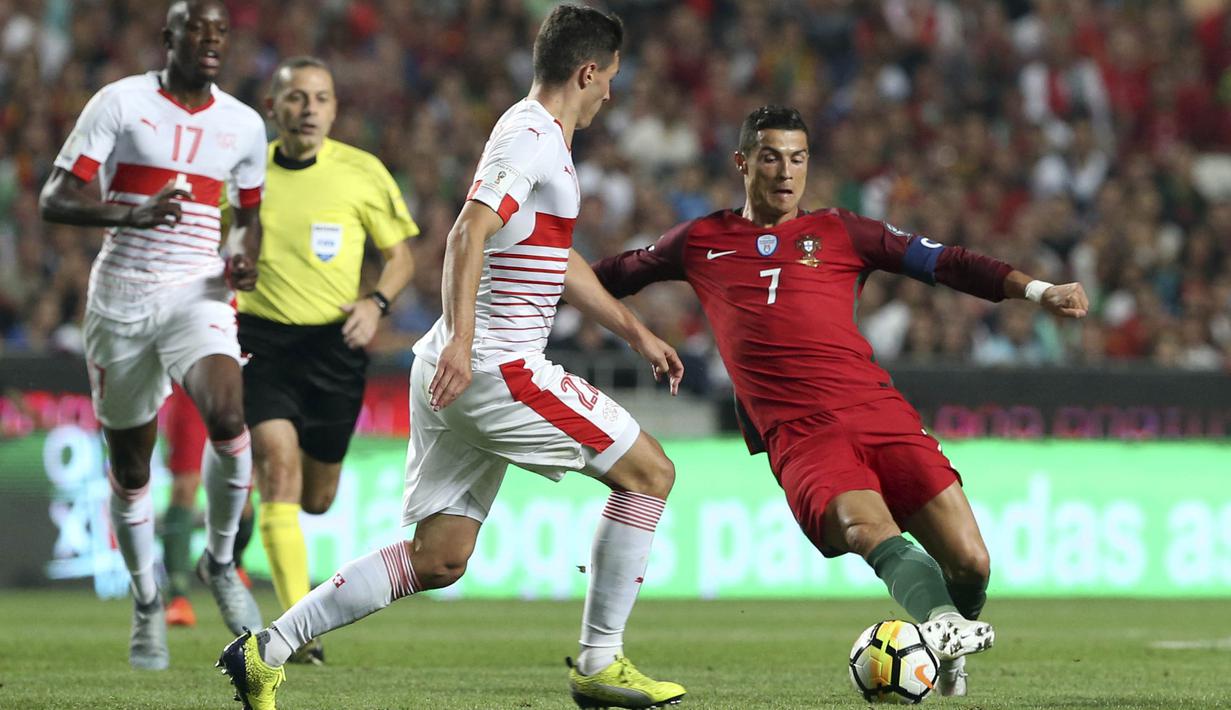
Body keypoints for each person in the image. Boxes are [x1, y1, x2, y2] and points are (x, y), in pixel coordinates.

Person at [218, 6, 687, 709]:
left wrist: (634, 331)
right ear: (586, 72)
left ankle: (265, 649)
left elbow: (551, 259)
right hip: (495, 367)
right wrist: (466, 342)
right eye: (609, 80)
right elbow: (467, 232)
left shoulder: (536, 138)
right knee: (650, 473)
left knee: (439, 558)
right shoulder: (531, 136)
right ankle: (598, 662)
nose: (609, 95)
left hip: (455, 367)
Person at [591, 106, 1090, 697]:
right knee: (864, 527)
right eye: (772, 157)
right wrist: (545, 291)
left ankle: (951, 640)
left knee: (972, 564)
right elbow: (605, 274)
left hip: (877, 411)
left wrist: (1038, 290)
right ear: (742, 162)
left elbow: (948, 262)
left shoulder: (843, 231)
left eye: (798, 158)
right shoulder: (700, 240)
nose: (786, 172)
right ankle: (942, 624)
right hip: (801, 433)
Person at [39, 0, 264, 670]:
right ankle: (145, 599)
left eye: (221, 31)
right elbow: (55, 197)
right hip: (122, 302)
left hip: (199, 292)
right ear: (169, 37)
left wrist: (243, 253)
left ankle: (220, 562)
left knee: (228, 417)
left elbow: (250, 216)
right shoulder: (119, 103)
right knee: (132, 470)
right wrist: (130, 215)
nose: (212, 40)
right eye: (199, 29)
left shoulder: (243, 125)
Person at [236, 55, 418, 664]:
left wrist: (377, 302)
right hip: (260, 338)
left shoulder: (361, 173)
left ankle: (256, 530)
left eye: (320, 98)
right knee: (277, 468)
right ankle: (296, 630)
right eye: (296, 98)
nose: (308, 108)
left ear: (335, 109)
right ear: (274, 108)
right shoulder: (242, 174)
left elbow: (401, 258)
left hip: (334, 346)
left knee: (316, 497)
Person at [160, 383, 256, 628]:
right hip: (193, 381)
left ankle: (232, 561)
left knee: (242, 496)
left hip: (241, 383)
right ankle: (178, 598)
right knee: (184, 486)